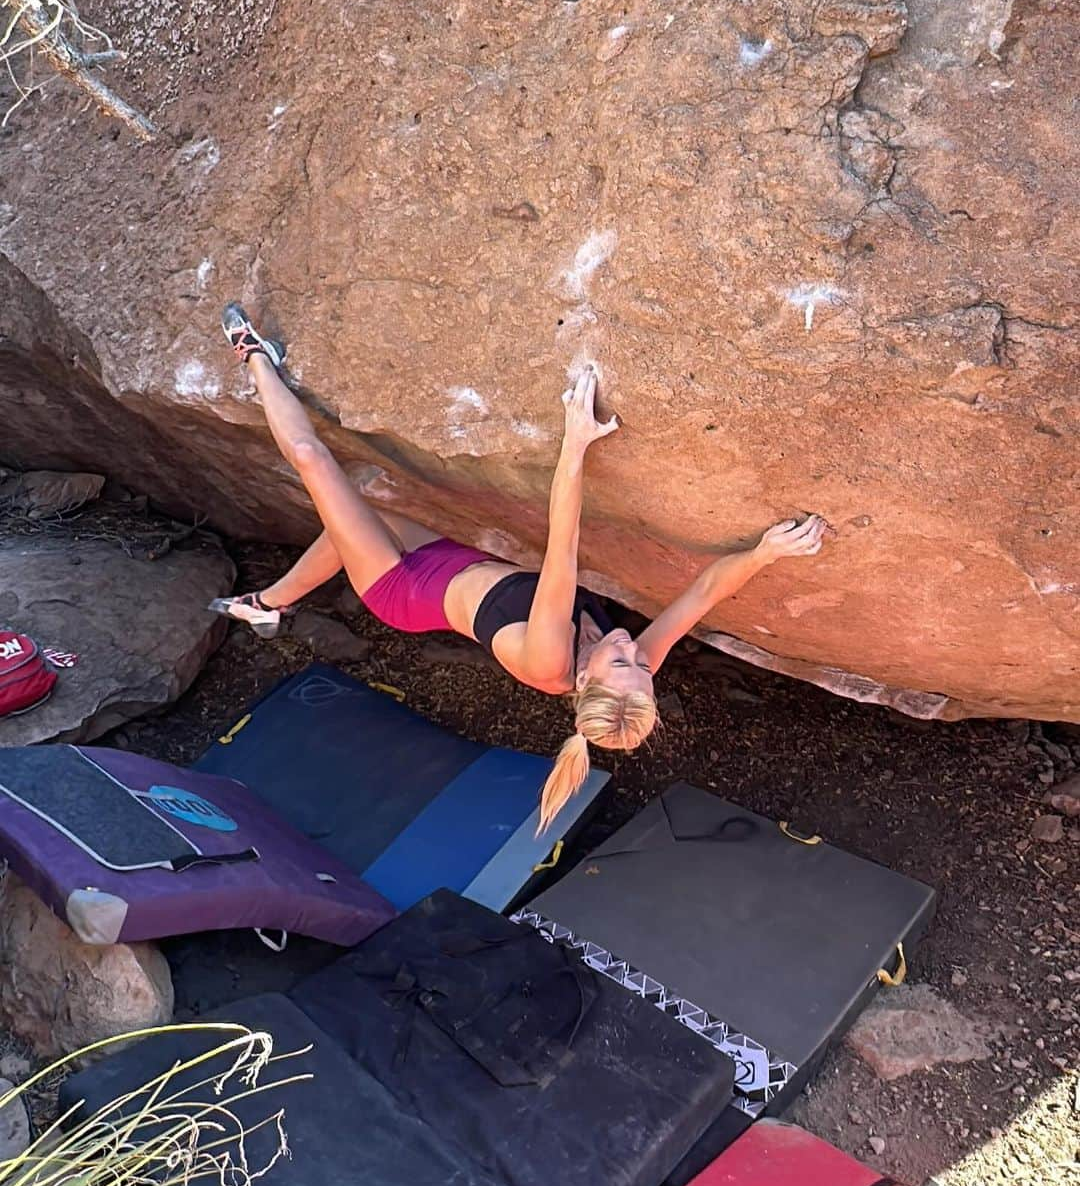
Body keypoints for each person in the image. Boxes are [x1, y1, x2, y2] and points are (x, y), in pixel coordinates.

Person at [211, 304, 827, 829]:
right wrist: (765, 553)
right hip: (448, 562)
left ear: (583, 685)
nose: (631, 648)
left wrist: (576, 442)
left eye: (622, 661)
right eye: (643, 667)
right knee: (351, 521)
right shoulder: (624, 663)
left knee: (316, 463)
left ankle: (254, 355)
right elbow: (700, 598)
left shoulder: (549, 658)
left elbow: (564, 541)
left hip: (401, 590)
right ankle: (266, 605)